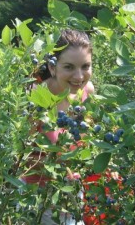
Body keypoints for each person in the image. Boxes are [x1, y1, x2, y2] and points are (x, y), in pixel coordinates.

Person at [22, 29, 94, 224]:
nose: (79, 76)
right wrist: (58, 168)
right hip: (38, 195)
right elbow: (21, 155)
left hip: (73, 190)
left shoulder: (87, 91)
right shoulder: (36, 97)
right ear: (53, 68)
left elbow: (89, 137)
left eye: (85, 66)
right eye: (69, 67)